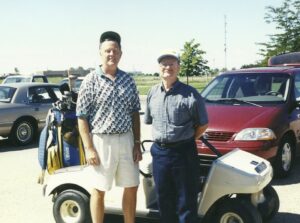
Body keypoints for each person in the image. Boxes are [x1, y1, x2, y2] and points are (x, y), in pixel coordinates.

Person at [76, 31, 142, 223]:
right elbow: (82, 117)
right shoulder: (90, 80)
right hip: (101, 141)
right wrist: (89, 148)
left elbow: (134, 113)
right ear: (100, 53)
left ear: (121, 53)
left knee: (132, 186)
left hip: (127, 139)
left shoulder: (128, 80)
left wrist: (137, 142)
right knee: (99, 189)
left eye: (115, 50)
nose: (111, 54)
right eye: (107, 51)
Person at [144, 50, 208, 223]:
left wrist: (188, 139)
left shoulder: (191, 94)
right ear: (159, 68)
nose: (168, 67)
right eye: (164, 64)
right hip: (160, 154)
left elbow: (203, 123)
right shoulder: (152, 93)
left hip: (184, 154)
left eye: (172, 63)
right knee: (164, 200)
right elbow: (149, 120)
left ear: (178, 67)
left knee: (186, 201)